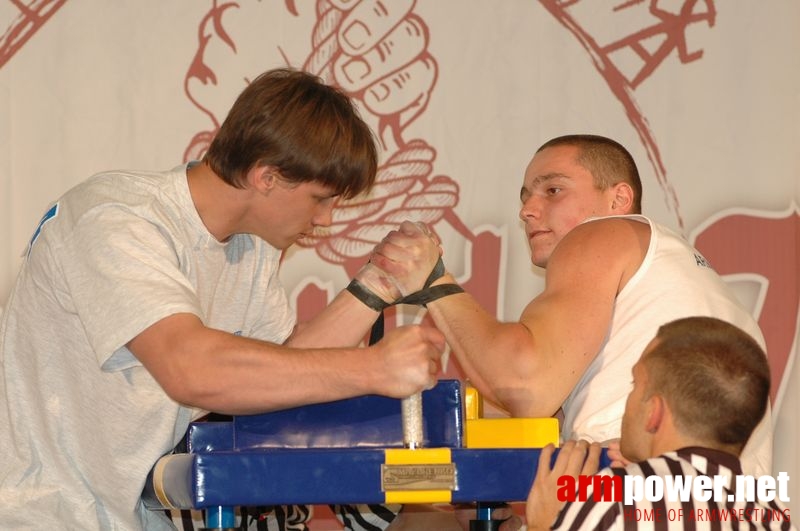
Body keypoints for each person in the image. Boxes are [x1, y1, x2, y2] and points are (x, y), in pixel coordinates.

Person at [0, 68, 449, 530]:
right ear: (266, 176)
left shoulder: (249, 247)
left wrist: (377, 285)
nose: (328, 220)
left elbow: (282, 372)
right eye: (320, 199)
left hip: (130, 517)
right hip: (41, 513)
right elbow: (190, 368)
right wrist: (374, 368)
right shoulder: (116, 218)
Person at [372, 134, 772, 481]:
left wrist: (434, 281)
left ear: (618, 198)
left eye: (553, 190)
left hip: (642, 501)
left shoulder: (600, 235)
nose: (527, 209)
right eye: (526, 196)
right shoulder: (681, 275)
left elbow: (525, 389)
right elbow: (514, 408)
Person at [522, 316, 793, 530]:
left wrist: (544, 523)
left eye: (635, 384)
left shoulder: (612, 501)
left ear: (654, 412)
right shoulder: (773, 515)